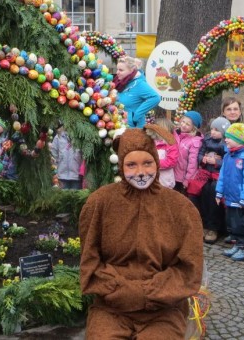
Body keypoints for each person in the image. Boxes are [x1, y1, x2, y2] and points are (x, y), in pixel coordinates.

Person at [79, 128, 203, 339]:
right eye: (131, 164)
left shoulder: (181, 208)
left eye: (147, 163)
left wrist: (149, 293)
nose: (140, 172)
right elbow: (90, 260)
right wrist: (120, 290)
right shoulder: (99, 203)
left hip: (163, 308)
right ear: (121, 166)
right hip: (112, 307)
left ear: (156, 161)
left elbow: (189, 267)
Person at [216, 123, 244, 261]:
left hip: (241, 200)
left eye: (229, 137)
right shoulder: (229, 156)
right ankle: (236, 243)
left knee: (242, 223)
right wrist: (219, 192)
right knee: (232, 222)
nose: (226, 140)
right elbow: (222, 175)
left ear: (240, 139)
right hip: (230, 197)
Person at [189, 116, 230, 244]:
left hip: (219, 174)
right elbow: (200, 152)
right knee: (195, 190)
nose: (212, 132)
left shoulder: (226, 143)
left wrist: (217, 161)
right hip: (205, 172)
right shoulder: (207, 140)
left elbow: (229, 159)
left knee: (214, 191)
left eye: (216, 130)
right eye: (212, 129)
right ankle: (201, 223)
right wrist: (203, 159)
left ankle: (213, 227)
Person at [114, 56, 161, 128]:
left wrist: (136, 115)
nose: (117, 72)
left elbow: (156, 97)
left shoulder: (139, 83)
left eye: (121, 70)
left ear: (131, 70)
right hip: (119, 125)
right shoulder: (120, 83)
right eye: (117, 69)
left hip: (133, 129)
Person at [173, 111, 203, 195]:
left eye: (188, 124)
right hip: (172, 174)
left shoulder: (194, 141)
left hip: (182, 179)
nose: (183, 125)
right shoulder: (176, 134)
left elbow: (192, 164)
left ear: (194, 127)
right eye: (183, 121)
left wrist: (187, 180)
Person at [144, 118, 178, 189]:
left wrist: (154, 163)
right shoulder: (152, 141)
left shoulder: (171, 144)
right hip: (151, 177)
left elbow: (171, 161)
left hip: (165, 179)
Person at [49, 121, 83, 189]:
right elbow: (54, 153)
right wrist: (59, 161)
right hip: (62, 174)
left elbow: (84, 153)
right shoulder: (58, 137)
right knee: (63, 196)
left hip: (76, 174)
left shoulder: (80, 136)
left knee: (76, 196)